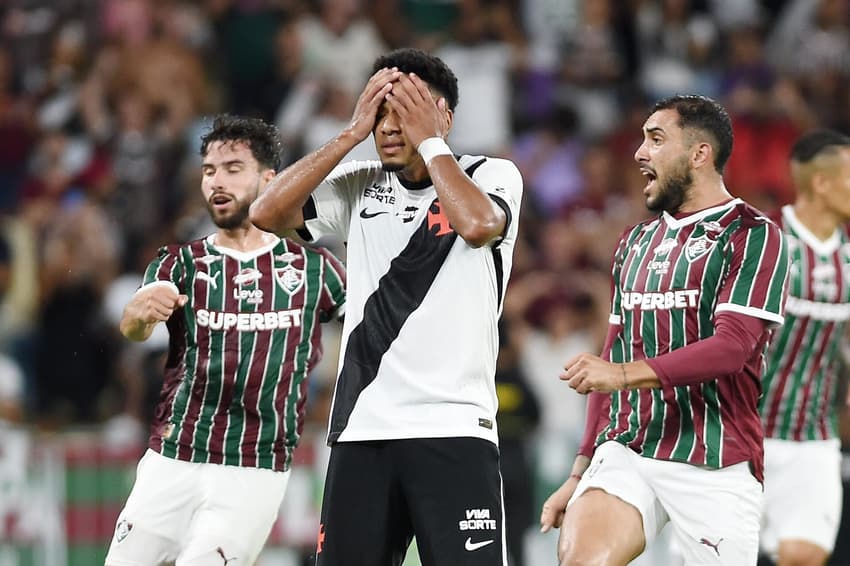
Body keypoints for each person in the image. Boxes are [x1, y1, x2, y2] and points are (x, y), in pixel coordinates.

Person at [250, 47, 523, 566]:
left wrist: (431, 143)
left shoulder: (492, 174)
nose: (390, 127)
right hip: (362, 430)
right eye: (380, 113)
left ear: (444, 117)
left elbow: (478, 225)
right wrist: (349, 134)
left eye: (406, 111)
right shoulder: (360, 184)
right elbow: (266, 213)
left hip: (454, 428)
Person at [539, 94, 790, 566]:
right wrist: (579, 470)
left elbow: (732, 347)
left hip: (713, 453)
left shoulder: (752, 234)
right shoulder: (634, 241)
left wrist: (621, 375)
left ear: (699, 154)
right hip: (629, 446)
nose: (639, 153)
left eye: (656, 139)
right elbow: (611, 355)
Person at [105, 115, 347, 566]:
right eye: (209, 171)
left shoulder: (316, 269)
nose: (217, 181)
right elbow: (135, 325)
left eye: (233, 169)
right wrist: (138, 315)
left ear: (269, 179)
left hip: (254, 468)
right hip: (174, 457)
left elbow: (372, 332)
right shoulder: (180, 263)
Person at [759, 129, 850, 566]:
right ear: (822, 183)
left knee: (805, 556)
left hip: (812, 436)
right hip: (739, 433)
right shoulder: (762, 242)